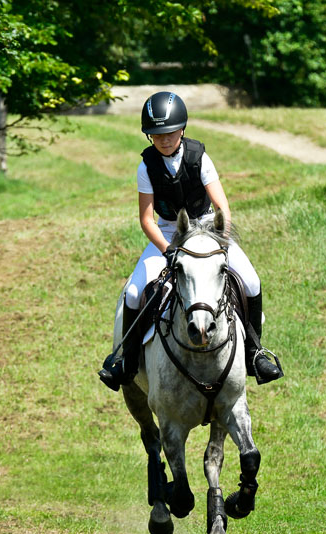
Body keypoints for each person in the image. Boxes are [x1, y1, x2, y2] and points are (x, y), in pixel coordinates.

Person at [98, 90, 283, 391]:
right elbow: (146, 220)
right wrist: (167, 250)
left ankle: (255, 353)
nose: (165, 140)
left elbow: (222, 208)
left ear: (181, 129)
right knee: (133, 292)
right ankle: (127, 363)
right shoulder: (146, 167)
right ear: (149, 137)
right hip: (169, 232)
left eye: (170, 133)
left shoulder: (200, 157)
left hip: (208, 227)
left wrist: (220, 242)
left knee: (251, 281)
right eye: (157, 135)